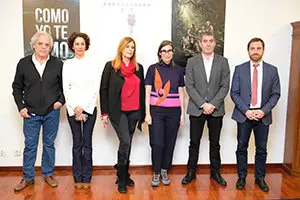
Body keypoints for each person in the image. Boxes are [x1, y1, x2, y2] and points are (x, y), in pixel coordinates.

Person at [12, 31, 65, 192]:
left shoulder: (58, 64)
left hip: (51, 112)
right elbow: (16, 87)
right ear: (34, 45)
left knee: (49, 144)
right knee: (30, 145)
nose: (43, 47)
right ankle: (28, 177)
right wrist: (21, 107)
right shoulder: (23, 63)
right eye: (40, 44)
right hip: (31, 113)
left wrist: (60, 102)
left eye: (47, 44)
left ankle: (48, 174)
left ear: (50, 47)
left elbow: (65, 86)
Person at [231, 38, 280, 192]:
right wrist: (246, 110)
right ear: (248, 51)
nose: (255, 51)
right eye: (252, 48)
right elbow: (234, 93)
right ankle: (241, 177)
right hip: (244, 114)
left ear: (263, 50)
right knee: (241, 147)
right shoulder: (239, 69)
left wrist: (263, 111)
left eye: (258, 48)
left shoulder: (272, 70)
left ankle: (260, 178)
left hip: (262, 115)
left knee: (261, 149)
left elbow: (275, 94)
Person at [182, 31, 230, 186]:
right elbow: (189, 85)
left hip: (216, 109)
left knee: (215, 143)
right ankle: (191, 172)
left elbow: (224, 86)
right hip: (197, 108)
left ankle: (215, 173)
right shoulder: (192, 62)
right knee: (194, 142)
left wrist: (212, 104)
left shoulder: (223, 62)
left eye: (211, 41)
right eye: (205, 41)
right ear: (200, 44)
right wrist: (203, 104)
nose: (208, 43)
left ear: (215, 43)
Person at [99, 37, 145, 193]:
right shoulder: (111, 67)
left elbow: (142, 92)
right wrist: (104, 113)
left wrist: (143, 114)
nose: (130, 49)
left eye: (133, 47)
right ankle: (122, 177)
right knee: (125, 141)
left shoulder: (139, 68)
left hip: (134, 111)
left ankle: (123, 173)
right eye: (127, 46)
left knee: (128, 143)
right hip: (118, 112)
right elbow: (103, 90)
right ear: (121, 48)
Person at [145, 40, 185, 187]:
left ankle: (164, 170)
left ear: (172, 53)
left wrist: (182, 113)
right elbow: (147, 92)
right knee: (157, 143)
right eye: (164, 51)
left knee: (169, 142)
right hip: (156, 112)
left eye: (169, 51)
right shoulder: (152, 69)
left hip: (174, 112)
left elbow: (181, 92)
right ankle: (156, 171)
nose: (167, 54)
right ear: (159, 54)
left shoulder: (179, 70)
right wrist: (147, 113)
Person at [63, 32, 99, 190]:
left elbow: (95, 89)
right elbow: (66, 88)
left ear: (86, 46)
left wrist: (84, 107)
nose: (79, 46)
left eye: (82, 44)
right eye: (76, 44)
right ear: (72, 46)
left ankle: (87, 177)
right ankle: (77, 177)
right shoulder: (67, 64)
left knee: (87, 144)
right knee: (77, 144)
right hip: (72, 109)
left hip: (90, 109)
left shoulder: (92, 64)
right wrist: (75, 108)